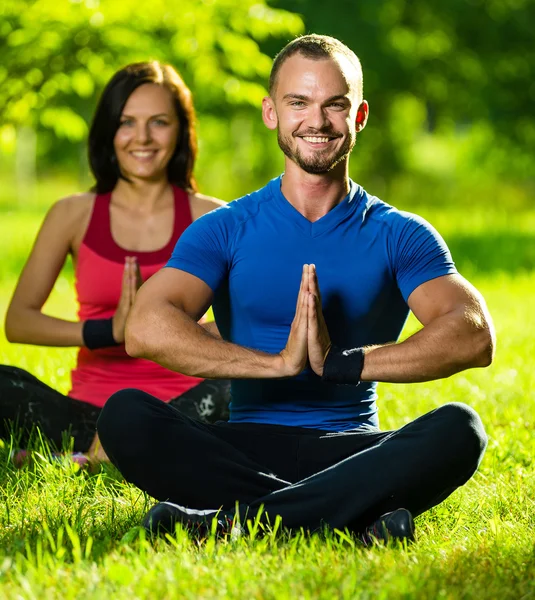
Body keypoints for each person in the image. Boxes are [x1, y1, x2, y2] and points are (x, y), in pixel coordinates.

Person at [97, 36, 494, 543]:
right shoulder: (227, 228)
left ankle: (234, 523)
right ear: (271, 112)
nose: (318, 121)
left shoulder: (399, 233)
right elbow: (146, 327)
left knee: (460, 429)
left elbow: (473, 334)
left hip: (351, 448)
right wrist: (275, 364)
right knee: (126, 415)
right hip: (243, 445)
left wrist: (342, 363)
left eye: (336, 104)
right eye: (298, 103)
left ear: (360, 115)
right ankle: (347, 517)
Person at [1, 62, 230, 464]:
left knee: (247, 384)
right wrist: (110, 331)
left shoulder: (211, 218)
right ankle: (106, 450)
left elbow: (247, 323)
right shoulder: (72, 213)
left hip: (181, 410)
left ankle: (90, 456)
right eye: (127, 122)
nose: (142, 137)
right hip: (87, 414)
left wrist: (171, 331)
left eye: (158, 122)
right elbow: (18, 322)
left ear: (180, 131)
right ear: (109, 131)